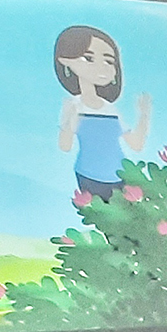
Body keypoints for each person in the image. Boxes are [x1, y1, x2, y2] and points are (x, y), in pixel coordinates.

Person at [54, 25, 151, 203]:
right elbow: (65, 145)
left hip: (121, 176)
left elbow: (136, 144)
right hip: (90, 176)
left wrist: (144, 115)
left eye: (108, 61)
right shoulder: (73, 105)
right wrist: (68, 121)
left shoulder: (110, 109)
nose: (102, 67)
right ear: (66, 61)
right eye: (89, 58)